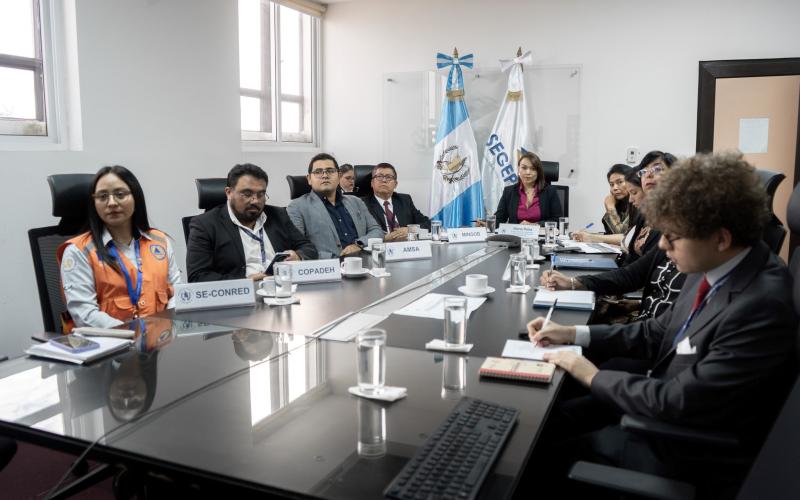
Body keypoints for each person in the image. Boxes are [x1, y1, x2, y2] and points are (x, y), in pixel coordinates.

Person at [528, 152, 797, 497]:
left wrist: (588, 372)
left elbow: (677, 400)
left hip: (683, 451)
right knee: (547, 421)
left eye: (673, 236)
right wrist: (573, 334)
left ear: (721, 237)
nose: (664, 246)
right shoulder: (715, 265)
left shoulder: (761, 306)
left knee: (535, 460)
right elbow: (655, 332)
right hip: (657, 404)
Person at [58, 166, 181, 331]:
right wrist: (135, 334)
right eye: (102, 196)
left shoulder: (159, 241)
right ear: (94, 203)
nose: (112, 203)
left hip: (159, 345)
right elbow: (85, 314)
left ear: (136, 197)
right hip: (109, 347)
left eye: (120, 194)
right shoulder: (78, 251)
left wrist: (163, 327)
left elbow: (177, 292)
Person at [186, 163, 317, 283]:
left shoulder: (278, 215)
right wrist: (245, 282)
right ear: (229, 193)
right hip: (239, 296)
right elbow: (198, 277)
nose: (255, 201)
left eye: (261, 194)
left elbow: (308, 248)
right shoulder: (204, 224)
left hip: (283, 288)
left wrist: (298, 256)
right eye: (247, 194)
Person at [287, 153, 384, 258]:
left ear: (338, 176)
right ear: (309, 179)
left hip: (364, 264)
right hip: (327, 269)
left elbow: (376, 231)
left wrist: (359, 244)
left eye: (330, 171)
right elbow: (299, 248)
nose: (325, 175)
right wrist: (335, 259)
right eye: (318, 172)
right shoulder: (297, 207)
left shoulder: (356, 202)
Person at [361, 163, 431, 242]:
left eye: (388, 177)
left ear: (395, 184)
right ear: (372, 183)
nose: (384, 180)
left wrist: (410, 230)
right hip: (379, 249)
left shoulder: (405, 200)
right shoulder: (361, 204)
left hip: (406, 249)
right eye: (379, 177)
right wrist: (383, 238)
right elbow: (359, 234)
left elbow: (428, 224)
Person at [490, 152, 563, 224]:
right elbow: (499, 219)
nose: (528, 172)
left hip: (540, 235)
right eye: (524, 168)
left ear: (538, 172)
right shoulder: (508, 192)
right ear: (519, 169)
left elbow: (557, 221)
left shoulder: (550, 191)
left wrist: (534, 225)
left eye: (533, 169)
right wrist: (485, 223)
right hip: (515, 235)